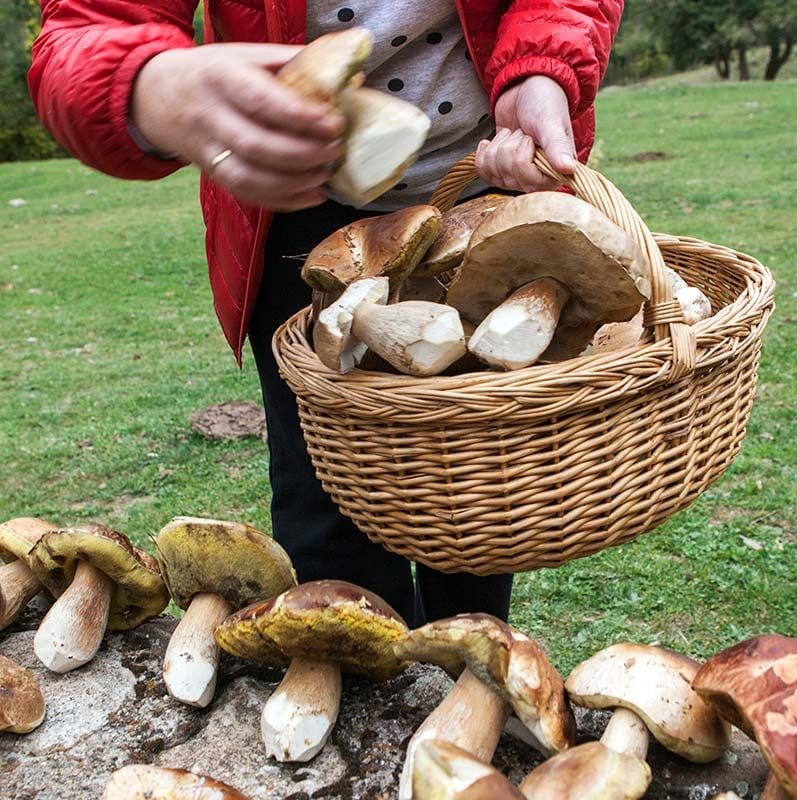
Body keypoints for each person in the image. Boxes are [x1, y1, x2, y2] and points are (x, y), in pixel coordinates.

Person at [29, 0, 624, 627]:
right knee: (325, 493)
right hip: (301, 210)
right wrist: (144, 82)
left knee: (471, 481)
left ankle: (468, 668)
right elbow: (89, 25)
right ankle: (362, 686)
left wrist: (543, 66)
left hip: (488, 187)